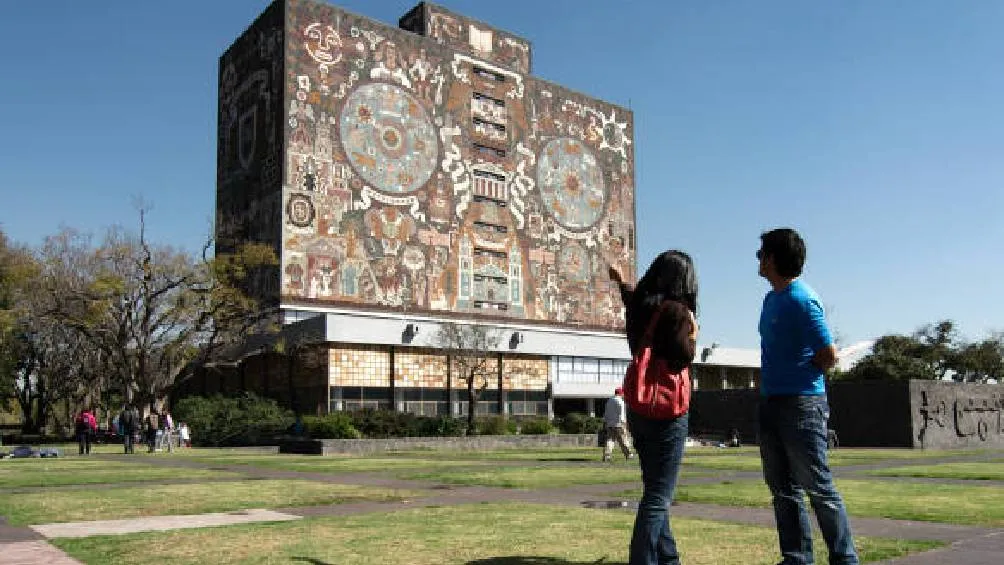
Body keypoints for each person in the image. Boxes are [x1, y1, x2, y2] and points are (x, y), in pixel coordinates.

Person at [756, 228, 858, 565]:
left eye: (761, 253)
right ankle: (797, 558)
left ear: (772, 258)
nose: (757, 259)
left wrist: (800, 373)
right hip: (771, 403)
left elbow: (828, 354)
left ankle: (844, 559)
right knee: (783, 490)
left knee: (818, 488)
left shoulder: (802, 299)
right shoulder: (772, 299)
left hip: (802, 405)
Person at [610, 250, 699, 565]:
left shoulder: (641, 307)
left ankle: (668, 556)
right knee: (659, 496)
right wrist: (693, 330)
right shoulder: (677, 312)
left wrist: (621, 281)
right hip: (668, 411)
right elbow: (682, 357)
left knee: (654, 489)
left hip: (639, 407)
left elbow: (630, 298)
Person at [602, 387, 633, 462]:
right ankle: (628, 454)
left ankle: (607, 455)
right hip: (619, 424)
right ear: (620, 393)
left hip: (610, 424)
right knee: (623, 439)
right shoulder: (620, 401)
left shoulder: (609, 401)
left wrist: (605, 422)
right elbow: (622, 413)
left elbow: (606, 413)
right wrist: (624, 423)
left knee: (610, 440)